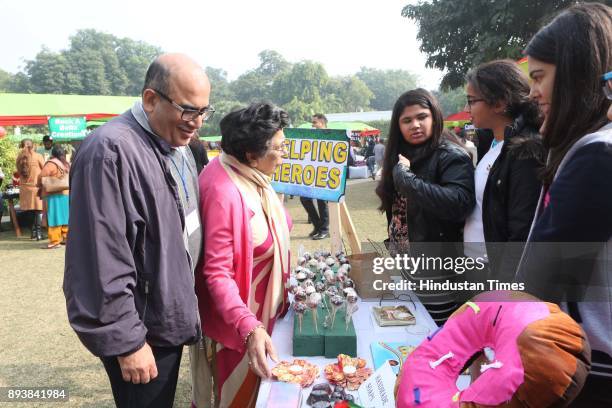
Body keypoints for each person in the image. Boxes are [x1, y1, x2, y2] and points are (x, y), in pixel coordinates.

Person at [63, 53, 212, 408]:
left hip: (168, 311)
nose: (197, 123)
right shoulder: (109, 151)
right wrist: (127, 342)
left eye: (204, 111)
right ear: (150, 99)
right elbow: (100, 260)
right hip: (142, 328)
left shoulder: (180, 146)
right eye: (188, 110)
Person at [514, 3, 612, 406]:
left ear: (576, 75)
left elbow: (543, 272)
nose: (533, 93)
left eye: (539, 77)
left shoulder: (597, 155)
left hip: (588, 371)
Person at [193, 102, 291, 408]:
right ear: (252, 155)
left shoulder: (251, 178)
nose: (284, 154)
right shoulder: (224, 191)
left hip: (261, 314)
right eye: (279, 148)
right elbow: (216, 273)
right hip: (240, 326)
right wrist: (249, 326)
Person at [376, 88, 475, 324]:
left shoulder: (450, 155)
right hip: (408, 264)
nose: (415, 125)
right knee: (412, 329)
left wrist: (407, 180)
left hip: (439, 268)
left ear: (435, 117)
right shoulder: (402, 157)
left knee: (435, 331)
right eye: (407, 120)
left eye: (422, 117)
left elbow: (459, 203)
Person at [463, 60, 544, 282]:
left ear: (499, 103)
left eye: (471, 101)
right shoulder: (492, 143)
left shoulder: (525, 149)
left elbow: (521, 230)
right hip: (475, 264)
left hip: (496, 274)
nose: (466, 109)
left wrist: (505, 289)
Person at [300, 113, 329, 240]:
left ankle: (324, 230)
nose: (312, 125)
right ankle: (318, 226)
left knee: (322, 202)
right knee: (304, 198)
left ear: (321, 123)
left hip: (324, 174)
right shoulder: (312, 136)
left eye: (314, 122)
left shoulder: (331, 136)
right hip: (311, 174)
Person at [37, 145, 70, 249]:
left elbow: (41, 176)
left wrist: (38, 184)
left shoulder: (52, 163)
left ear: (53, 154)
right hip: (66, 193)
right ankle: (66, 238)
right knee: (65, 217)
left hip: (54, 194)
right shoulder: (67, 164)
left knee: (55, 217)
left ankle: (55, 241)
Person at [15, 138, 44, 240]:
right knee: (38, 211)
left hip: (24, 188)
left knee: (29, 211)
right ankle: (39, 234)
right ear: (33, 146)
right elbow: (44, 170)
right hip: (36, 187)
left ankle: (33, 233)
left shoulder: (19, 158)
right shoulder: (38, 156)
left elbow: (17, 172)